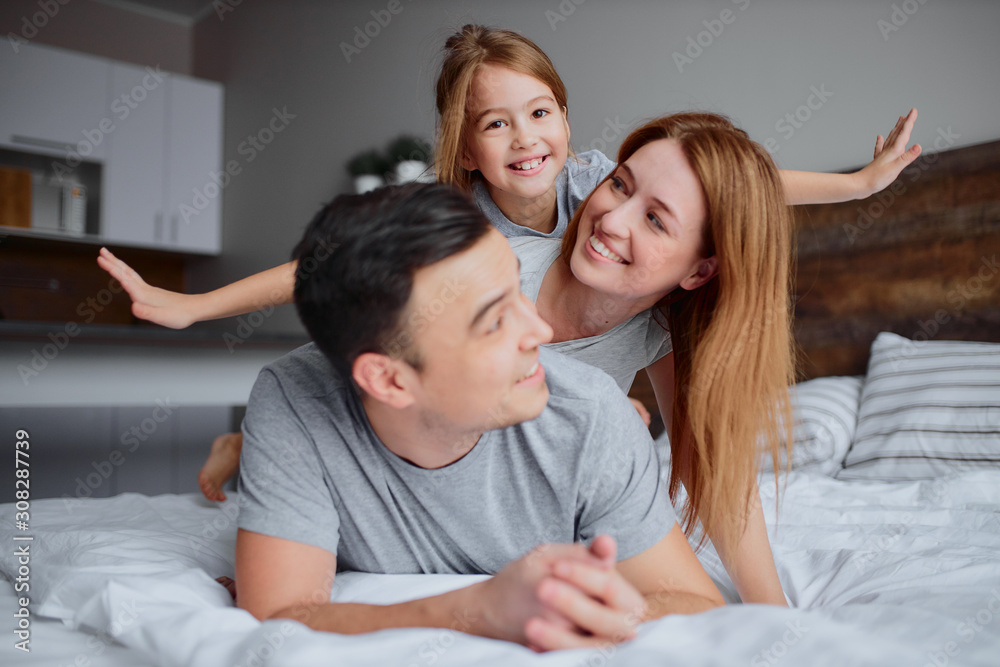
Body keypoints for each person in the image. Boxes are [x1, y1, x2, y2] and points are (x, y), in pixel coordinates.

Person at [96, 26, 920, 601]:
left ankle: (254, 444)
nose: (613, 213)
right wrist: (199, 305)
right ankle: (254, 443)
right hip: (400, 416)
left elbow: (732, 188)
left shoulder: (642, 299)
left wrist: (852, 184)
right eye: (620, 187)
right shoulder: (487, 244)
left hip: (494, 439)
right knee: (324, 395)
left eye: (656, 220)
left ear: (701, 268)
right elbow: (329, 270)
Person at [235, 183, 724, 651]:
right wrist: (472, 610)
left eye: (519, 290)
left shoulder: (591, 414)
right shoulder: (294, 397)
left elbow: (697, 605)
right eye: (494, 321)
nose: (539, 329)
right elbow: (281, 615)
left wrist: (571, 606)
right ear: (388, 381)